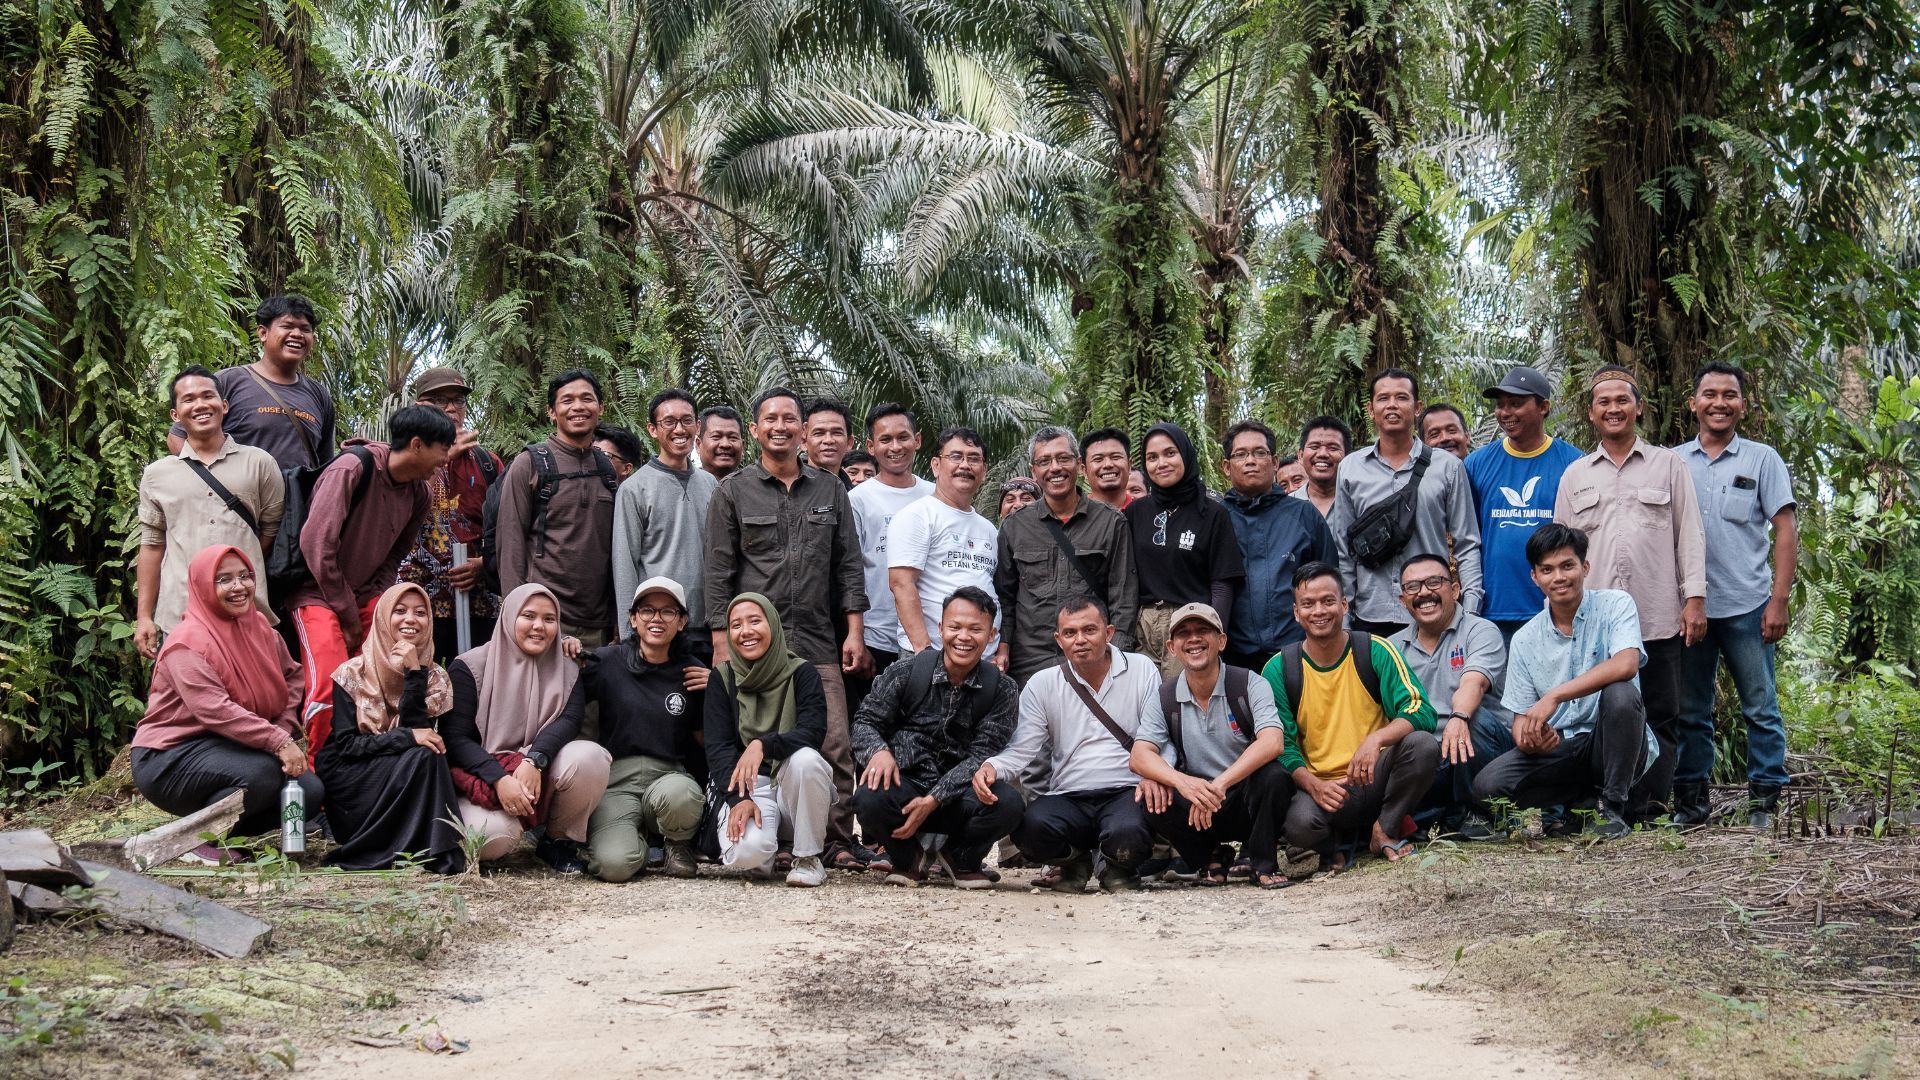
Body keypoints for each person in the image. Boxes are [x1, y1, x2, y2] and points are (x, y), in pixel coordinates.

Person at [705, 387, 875, 869]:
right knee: (752, 741)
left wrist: (855, 633)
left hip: (818, 639)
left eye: (789, 419)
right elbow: (718, 570)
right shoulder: (732, 491)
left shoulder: (830, 489)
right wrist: (722, 644)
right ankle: (771, 838)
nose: (780, 426)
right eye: (769, 419)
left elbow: (848, 567)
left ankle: (836, 839)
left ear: (802, 429)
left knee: (833, 742)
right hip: (752, 647)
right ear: (755, 430)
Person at [1552, 365, 1705, 815]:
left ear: (1639, 407)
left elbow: (1690, 535)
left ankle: (1651, 807)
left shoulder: (1668, 465)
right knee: (1597, 714)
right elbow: (1562, 550)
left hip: (1658, 615)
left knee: (1662, 714)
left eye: (1623, 400)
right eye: (1604, 402)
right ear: (1591, 414)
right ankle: (1598, 802)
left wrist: (1694, 599)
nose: (1614, 408)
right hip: (1595, 624)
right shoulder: (1575, 476)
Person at [132, 547, 322, 863]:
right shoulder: (186, 642)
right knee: (262, 774)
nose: (238, 587)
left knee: (309, 792)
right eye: (224, 580)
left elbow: (292, 678)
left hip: (232, 746)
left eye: (244, 576)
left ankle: (226, 836)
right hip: (170, 757)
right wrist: (277, 742)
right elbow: (214, 709)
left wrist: (283, 728)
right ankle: (197, 842)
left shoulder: (259, 627)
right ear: (204, 587)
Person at [1471, 524, 1661, 838]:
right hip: (1560, 750)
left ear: (1584, 567)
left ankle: (1612, 810)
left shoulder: (1615, 605)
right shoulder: (1524, 639)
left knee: (1621, 694)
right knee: (1487, 786)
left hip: (1612, 743)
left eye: (1567, 566)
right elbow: (1520, 722)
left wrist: (1555, 696)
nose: (1558, 577)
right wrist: (1530, 738)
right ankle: (1580, 803)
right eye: (1547, 570)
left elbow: (1627, 663)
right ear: (1534, 577)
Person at [1673, 362, 1797, 827]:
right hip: (1690, 609)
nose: (1719, 402)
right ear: (1694, 404)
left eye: (1729, 395)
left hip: (1748, 605)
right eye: (1709, 394)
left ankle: (1765, 800)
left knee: (1760, 704)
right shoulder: (1674, 461)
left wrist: (1778, 599)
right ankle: (1691, 803)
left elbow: (1785, 530)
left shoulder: (1762, 459)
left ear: (1743, 406)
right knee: (1691, 711)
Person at [290, 405, 449, 756]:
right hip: (316, 593)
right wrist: (348, 613)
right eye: (443, 449)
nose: (445, 459)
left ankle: (393, 752)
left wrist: (375, 601)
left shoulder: (417, 494)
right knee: (330, 684)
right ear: (418, 445)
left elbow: (395, 556)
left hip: (363, 595)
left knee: (397, 657)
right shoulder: (352, 468)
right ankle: (324, 768)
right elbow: (316, 544)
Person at [973, 598, 1161, 893]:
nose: (1080, 640)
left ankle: (1117, 868)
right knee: (1029, 830)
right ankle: (1076, 863)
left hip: (1127, 789)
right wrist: (990, 767)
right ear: (1059, 640)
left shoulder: (1141, 669)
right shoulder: (1043, 683)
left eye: (1090, 630)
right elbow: (1022, 749)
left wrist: (1156, 774)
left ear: (1109, 632)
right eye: (1070, 633)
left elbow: (1157, 737)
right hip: (1069, 795)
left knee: (1130, 833)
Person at [1268, 562, 1439, 869]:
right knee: (1299, 825)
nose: (1319, 611)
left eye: (1328, 601)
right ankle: (1329, 844)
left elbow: (1420, 710)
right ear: (1296, 612)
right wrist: (1313, 785)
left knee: (1423, 745)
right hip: (1324, 790)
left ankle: (1384, 829)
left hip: (1376, 778)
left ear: (1344, 605)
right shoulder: (1280, 668)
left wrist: (1376, 739)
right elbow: (1281, 745)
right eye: (1308, 604)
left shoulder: (1375, 650)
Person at [852, 588, 1023, 887]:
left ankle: (960, 857)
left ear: (992, 634)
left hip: (960, 795)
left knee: (1008, 803)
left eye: (975, 629)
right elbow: (865, 722)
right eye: (955, 627)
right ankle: (908, 858)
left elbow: (982, 755)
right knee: (869, 797)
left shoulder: (1002, 689)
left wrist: (933, 800)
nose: (963, 637)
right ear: (941, 627)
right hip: (906, 783)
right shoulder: (906, 671)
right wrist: (878, 751)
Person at [444, 584, 613, 872]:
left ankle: (557, 841)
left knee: (589, 757)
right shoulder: (469, 668)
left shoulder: (568, 667)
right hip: (485, 779)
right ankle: (511, 828)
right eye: (529, 616)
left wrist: (534, 760)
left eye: (549, 619)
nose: (539, 626)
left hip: (537, 772)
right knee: (490, 840)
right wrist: (500, 779)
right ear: (509, 617)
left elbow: (568, 721)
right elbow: (456, 740)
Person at [1129, 603, 1294, 888]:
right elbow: (1140, 755)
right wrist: (1182, 783)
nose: (1193, 638)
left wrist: (1220, 784)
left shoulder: (1249, 682)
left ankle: (1263, 861)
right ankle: (1210, 859)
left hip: (1243, 797)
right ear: (1171, 647)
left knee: (1275, 777)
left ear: (1221, 641)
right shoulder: (1165, 695)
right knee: (1151, 793)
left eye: (1203, 630)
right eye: (1183, 633)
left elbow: (1273, 741)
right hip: (1197, 803)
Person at [314, 582, 465, 873]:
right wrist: (406, 736)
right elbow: (347, 747)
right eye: (400, 611)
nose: (411, 619)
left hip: (404, 772)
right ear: (383, 618)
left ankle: (421, 850)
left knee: (428, 755)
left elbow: (421, 736)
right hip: (354, 780)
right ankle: (427, 851)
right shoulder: (352, 672)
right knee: (423, 755)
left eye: (420, 612)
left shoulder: (436, 678)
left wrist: (414, 673)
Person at [136, 366, 284, 659]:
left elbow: (271, 531)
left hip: (245, 614)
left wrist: (239, 569)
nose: (200, 405)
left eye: (208, 396)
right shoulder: (157, 474)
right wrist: (144, 616)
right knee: (184, 702)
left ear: (224, 405)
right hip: (180, 615)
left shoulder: (259, 463)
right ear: (176, 415)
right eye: (189, 399)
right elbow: (152, 545)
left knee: (250, 702)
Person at [1330, 369, 1482, 638]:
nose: (1392, 405)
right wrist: (1345, 617)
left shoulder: (1447, 467)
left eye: (1401, 397)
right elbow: (1343, 548)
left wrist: (1470, 611)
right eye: (1383, 398)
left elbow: (1466, 543)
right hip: (1370, 612)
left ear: (1417, 408)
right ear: (1371, 409)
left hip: (1433, 609)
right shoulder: (1351, 468)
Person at [705, 594, 836, 886]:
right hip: (749, 787)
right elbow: (718, 749)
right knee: (748, 854)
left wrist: (763, 745)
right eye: (736, 625)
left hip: (792, 786)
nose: (746, 631)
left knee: (807, 760)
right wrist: (739, 799)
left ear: (773, 625)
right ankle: (769, 851)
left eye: (755, 620)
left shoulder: (802, 672)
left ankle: (807, 857)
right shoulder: (722, 678)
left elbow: (813, 732)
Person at [584, 578, 709, 882]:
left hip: (668, 778)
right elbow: (564, 698)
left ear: (682, 622)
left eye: (668, 612)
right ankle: (633, 840)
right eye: (647, 610)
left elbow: (708, 741)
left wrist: (718, 691)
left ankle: (676, 844)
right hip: (616, 781)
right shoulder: (606, 661)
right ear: (633, 618)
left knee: (683, 795)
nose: (656, 618)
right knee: (615, 866)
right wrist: (563, 650)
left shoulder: (692, 671)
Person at [993, 426, 1137, 685]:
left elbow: (1123, 597)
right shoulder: (1014, 527)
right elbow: (1005, 596)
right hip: (1031, 660)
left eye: (1063, 458)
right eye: (1044, 461)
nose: (1055, 468)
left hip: (1093, 660)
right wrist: (1003, 646)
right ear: (1033, 471)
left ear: (1079, 464)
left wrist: (1118, 656)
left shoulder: (1111, 522)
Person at [1389, 554, 1515, 841]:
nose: (1424, 593)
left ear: (1455, 589)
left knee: (1474, 719)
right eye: (1413, 587)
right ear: (1402, 600)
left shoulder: (1480, 630)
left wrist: (1458, 717)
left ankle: (1480, 813)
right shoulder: (1392, 647)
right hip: (1431, 756)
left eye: (1434, 582)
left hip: (1484, 749)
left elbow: (1474, 682)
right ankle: (1442, 816)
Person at [494, 369, 620, 646]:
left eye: (587, 399)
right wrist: (516, 614)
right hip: (543, 620)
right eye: (567, 400)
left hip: (596, 622)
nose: (578, 407)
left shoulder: (607, 469)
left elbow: (614, 550)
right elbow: (511, 542)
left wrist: (616, 617)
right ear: (551, 412)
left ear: (600, 407)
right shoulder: (530, 464)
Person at [1464, 366, 1584, 640]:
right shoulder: (1477, 463)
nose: (1505, 413)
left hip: (1557, 608)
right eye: (1500, 405)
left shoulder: (1574, 463)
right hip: (1493, 611)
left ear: (1543, 407)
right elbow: (1465, 537)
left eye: (1516, 404)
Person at [398, 366, 503, 662]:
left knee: (476, 684)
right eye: (440, 401)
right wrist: (443, 456)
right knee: (415, 685)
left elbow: (507, 526)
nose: (451, 409)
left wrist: (483, 563)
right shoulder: (403, 457)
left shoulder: (487, 462)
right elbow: (401, 510)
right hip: (415, 602)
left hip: (478, 599)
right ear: (421, 407)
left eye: (458, 401)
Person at [1126, 423, 1245, 677]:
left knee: (1181, 704)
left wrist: (1213, 635)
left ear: (1186, 454)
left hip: (1190, 621)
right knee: (1145, 708)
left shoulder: (1213, 513)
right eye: (1152, 457)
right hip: (1143, 625)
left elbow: (1223, 585)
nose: (1161, 463)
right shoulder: (1137, 512)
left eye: (1170, 453)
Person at [166, 295, 336, 472]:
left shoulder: (318, 395)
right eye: (287, 326)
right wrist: (217, 484)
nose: (297, 334)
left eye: (305, 329)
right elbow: (177, 438)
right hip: (239, 497)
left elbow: (325, 463)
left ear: (313, 339)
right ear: (263, 333)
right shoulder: (228, 381)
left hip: (300, 499)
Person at [1220, 419, 1336, 673]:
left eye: (1259, 452)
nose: (1251, 460)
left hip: (1299, 653)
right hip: (1234, 659)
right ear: (1227, 467)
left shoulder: (1304, 515)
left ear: (1274, 463)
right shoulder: (1216, 518)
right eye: (1241, 454)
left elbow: (1329, 580)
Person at [611, 387, 718, 660]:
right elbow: (625, 564)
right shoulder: (635, 488)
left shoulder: (710, 484)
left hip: (706, 627)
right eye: (669, 422)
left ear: (697, 426)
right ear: (652, 429)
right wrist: (629, 636)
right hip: (657, 627)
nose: (679, 429)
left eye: (687, 421)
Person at [889, 427, 1000, 656]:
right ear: (936, 466)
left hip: (983, 660)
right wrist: (924, 651)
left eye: (974, 459)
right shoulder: (917, 515)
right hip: (931, 654)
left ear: (984, 470)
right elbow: (901, 584)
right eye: (956, 457)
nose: (965, 465)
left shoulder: (988, 529)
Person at [849, 402, 933, 698]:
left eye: (903, 437)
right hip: (877, 637)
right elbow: (850, 571)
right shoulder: (857, 499)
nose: (895, 447)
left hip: (929, 635)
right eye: (885, 440)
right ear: (871, 446)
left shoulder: (935, 494)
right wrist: (857, 637)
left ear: (917, 440)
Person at [1293, 416, 1351, 518]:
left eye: (1333, 448)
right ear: (1301, 456)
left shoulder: (1359, 500)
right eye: (1314, 447)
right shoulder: (1286, 506)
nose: (1322, 454)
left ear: (1347, 457)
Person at [1080, 428, 1133, 511]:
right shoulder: (1074, 517)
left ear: (1129, 465)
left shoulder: (1145, 512)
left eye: (1116, 457)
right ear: (1084, 470)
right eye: (1098, 459)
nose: (1108, 464)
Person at [804, 398, 855, 484]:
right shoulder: (782, 491)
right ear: (803, 441)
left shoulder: (854, 496)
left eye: (837, 433)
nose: (828, 440)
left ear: (849, 442)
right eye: (819, 433)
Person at [696, 405, 746, 481]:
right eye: (716, 437)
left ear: (743, 447)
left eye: (733, 437)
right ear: (698, 445)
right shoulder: (683, 486)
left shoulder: (756, 488)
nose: (725, 444)